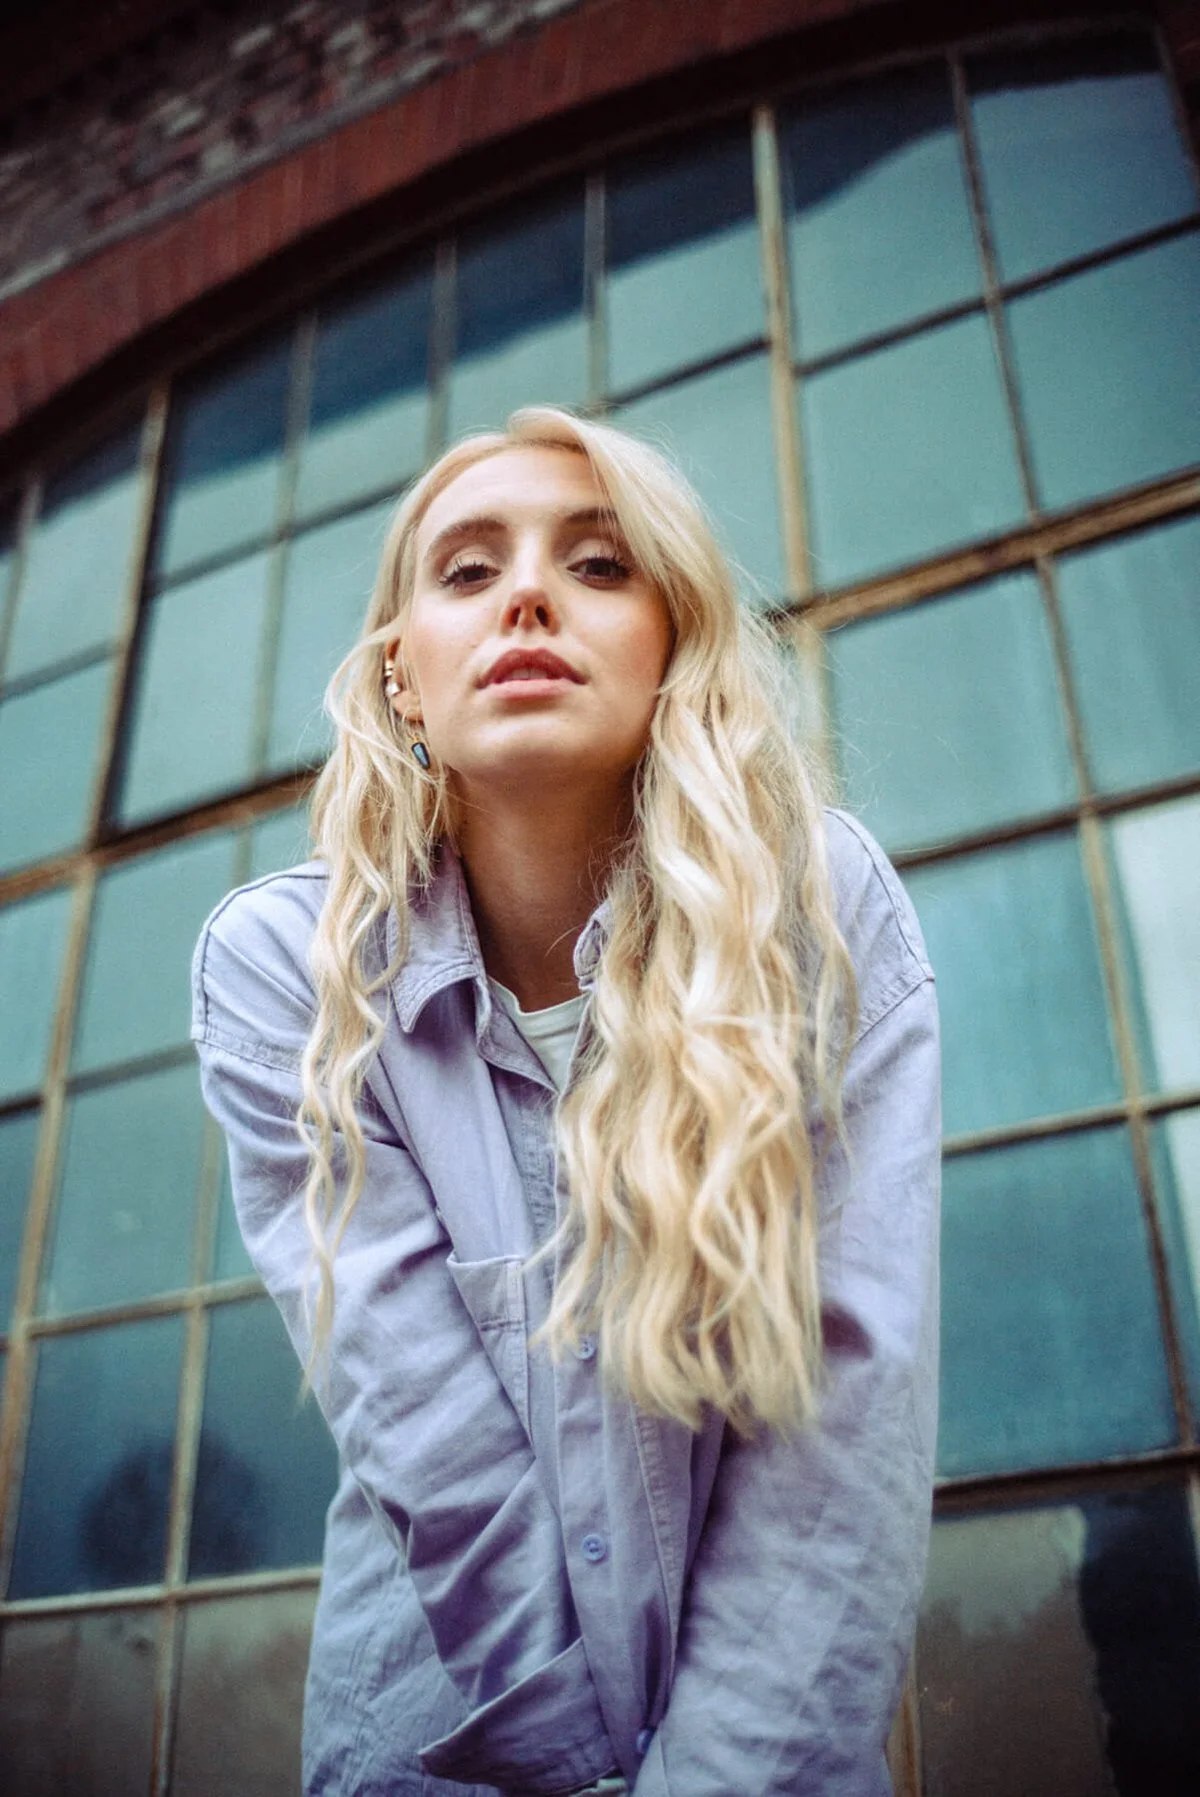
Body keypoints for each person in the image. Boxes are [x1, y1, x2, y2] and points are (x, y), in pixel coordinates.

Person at [192, 406, 940, 1797]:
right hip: (435, 1751)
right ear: (404, 678)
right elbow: (420, 1428)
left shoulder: (820, 915)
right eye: (467, 572)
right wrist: (573, 1770)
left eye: (600, 566)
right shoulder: (284, 973)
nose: (527, 593)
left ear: (676, 650)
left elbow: (849, 1426)